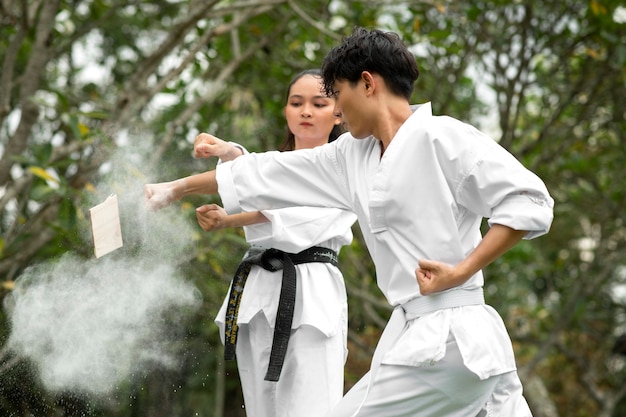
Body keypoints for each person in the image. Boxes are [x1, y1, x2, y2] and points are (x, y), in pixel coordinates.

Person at [145, 27, 554, 416]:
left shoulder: (441, 137)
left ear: (368, 83)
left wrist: (461, 270)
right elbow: (268, 172)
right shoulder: (350, 157)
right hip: (417, 335)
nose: (336, 110)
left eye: (337, 95)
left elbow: (528, 199)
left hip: (454, 337)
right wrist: (178, 188)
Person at [190, 70, 357, 417]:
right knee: (261, 407)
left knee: (313, 406)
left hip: (311, 290)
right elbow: (253, 178)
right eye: (297, 103)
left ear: (338, 113)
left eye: (319, 103)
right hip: (260, 290)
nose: (306, 111)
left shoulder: (345, 166)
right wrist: (229, 152)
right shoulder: (269, 166)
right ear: (286, 111)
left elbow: (291, 215)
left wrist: (229, 218)